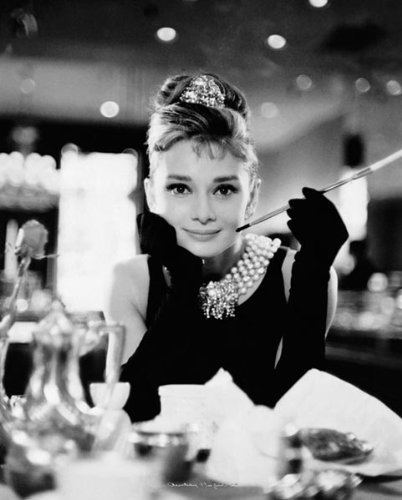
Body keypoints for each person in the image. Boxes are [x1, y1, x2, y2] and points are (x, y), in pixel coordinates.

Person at [106, 73, 348, 423]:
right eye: (180, 188)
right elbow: (132, 412)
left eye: (223, 190)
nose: (203, 213)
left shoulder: (292, 274)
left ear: (252, 198)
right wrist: (183, 286)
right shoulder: (130, 280)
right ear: (151, 195)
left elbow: (297, 418)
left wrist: (312, 275)